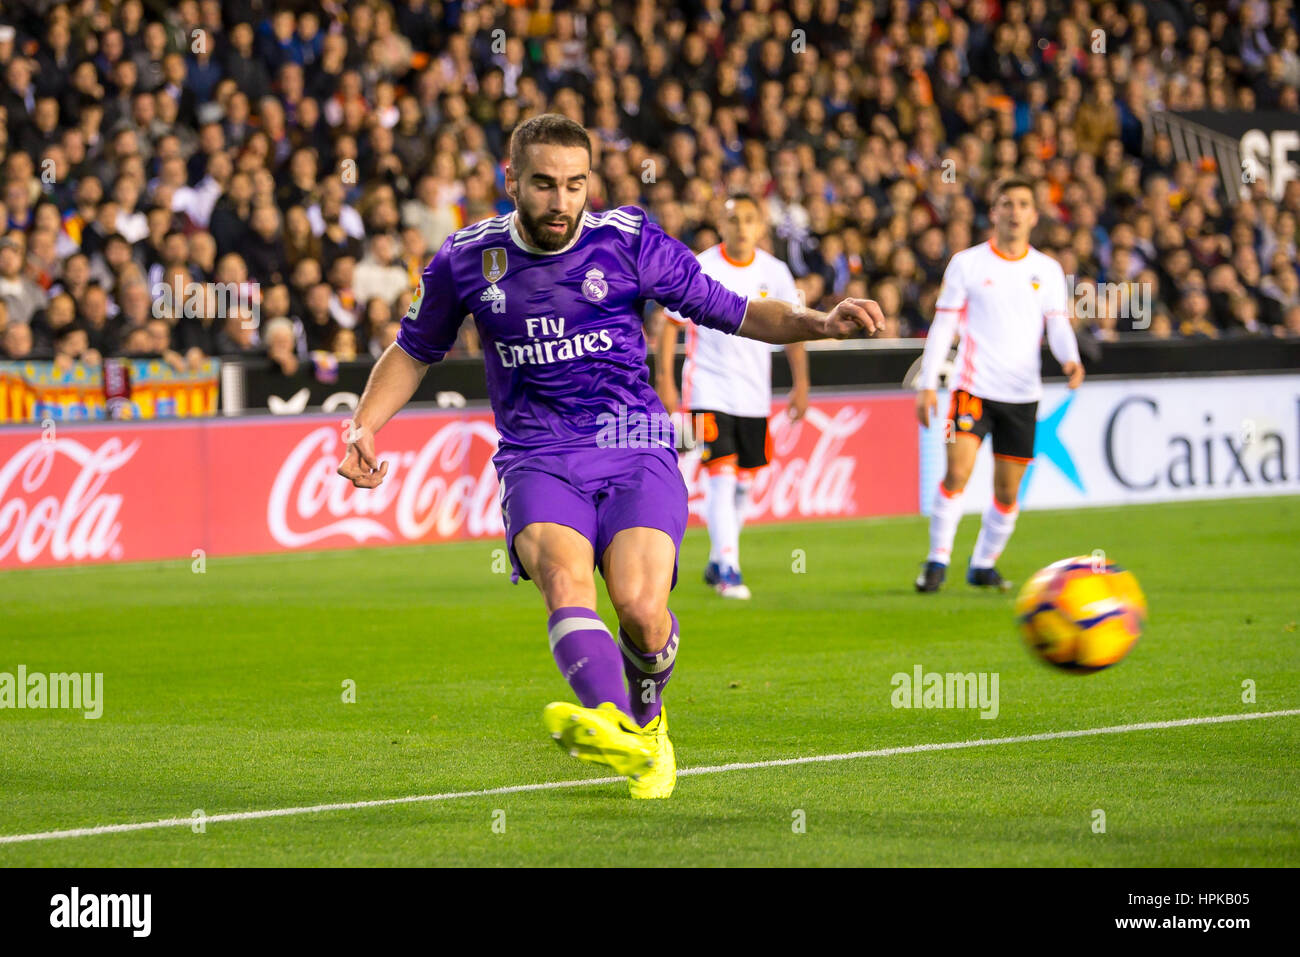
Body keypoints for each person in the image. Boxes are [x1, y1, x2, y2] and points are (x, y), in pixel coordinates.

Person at [337, 114, 884, 799]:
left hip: (634, 445)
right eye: (543, 184)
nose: (561, 201)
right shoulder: (466, 258)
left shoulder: (627, 240)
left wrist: (819, 322)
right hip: (539, 454)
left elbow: (737, 311)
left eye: (574, 185)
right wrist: (364, 424)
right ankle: (613, 720)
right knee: (567, 584)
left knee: (640, 608)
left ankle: (648, 723)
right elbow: (415, 347)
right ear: (511, 181)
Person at [914, 176, 1084, 593]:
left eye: (1022, 203)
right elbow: (945, 324)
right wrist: (928, 383)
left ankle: (983, 564)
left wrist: (1071, 359)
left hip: (1022, 396)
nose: (1014, 211)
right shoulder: (967, 263)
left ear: (1033, 214)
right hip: (971, 389)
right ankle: (937, 560)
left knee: (1007, 492)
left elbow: (1057, 324)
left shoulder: (1046, 269)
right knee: (957, 472)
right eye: (1006, 203)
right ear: (994, 213)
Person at [653, 193, 808, 599]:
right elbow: (669, 324)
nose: (741, 227)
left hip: (754, 395)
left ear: (760, 226)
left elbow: (794, 328)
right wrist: (665, 381)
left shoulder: (775, 273)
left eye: (748, 219)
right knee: (720, 476)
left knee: (742, 484)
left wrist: (801, 383)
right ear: (721, 225)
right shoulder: (702, 266)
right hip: (709, 388)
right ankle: (729, 569)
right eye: (733, 219)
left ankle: (720, 558)